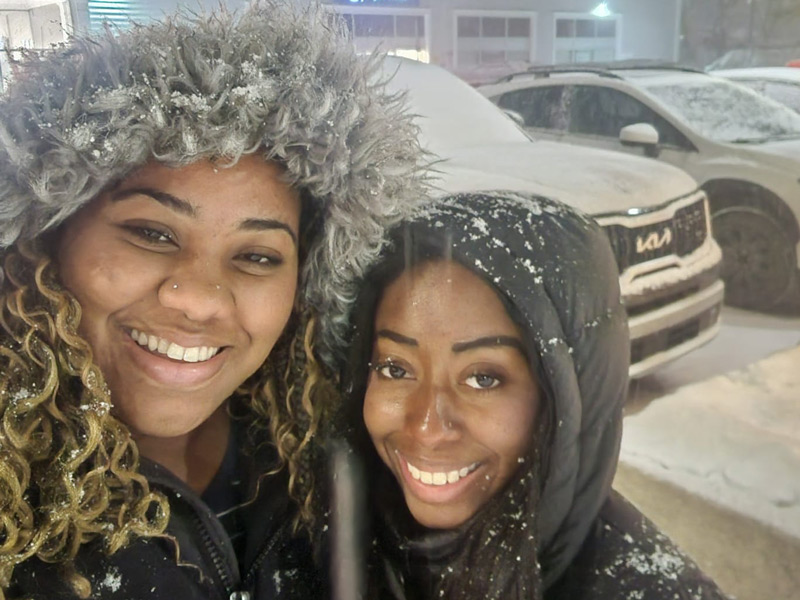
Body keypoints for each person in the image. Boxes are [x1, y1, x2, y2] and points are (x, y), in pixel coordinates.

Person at [0, 2, 427, 599]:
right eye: (152, 233)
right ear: (48, 238)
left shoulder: (324, 450)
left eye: (257, 257)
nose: (198, 301)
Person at [338, 191, 732, 599]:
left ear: (568, 396)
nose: (427, 427)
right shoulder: (317, 541)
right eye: (395, 369)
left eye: (483, 379)